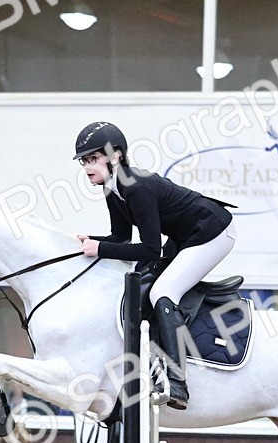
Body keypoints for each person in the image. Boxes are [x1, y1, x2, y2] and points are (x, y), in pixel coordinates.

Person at [73, 121, 236, 410]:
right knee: (146, 280)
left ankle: (177, 383)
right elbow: (121, 237)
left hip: (213, 231)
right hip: (185, 236)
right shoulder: (112, 187)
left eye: (93, 159)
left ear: (115, 157)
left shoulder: (136, 187)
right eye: (84, 161)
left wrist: (100, 249)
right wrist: (90, 242)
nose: (87, 167)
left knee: (163, 291)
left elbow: (150, 249)